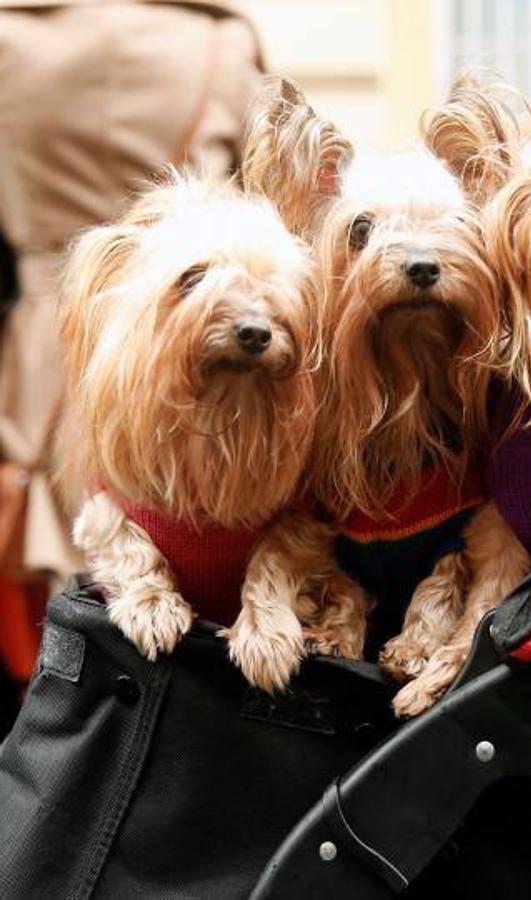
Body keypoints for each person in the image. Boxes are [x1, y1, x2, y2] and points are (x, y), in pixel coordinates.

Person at [0, 0, 264, 732]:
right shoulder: (218, 40)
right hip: (192, 355)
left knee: (58, 599)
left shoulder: (10, 37)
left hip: (37, 359)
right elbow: (264, 206)